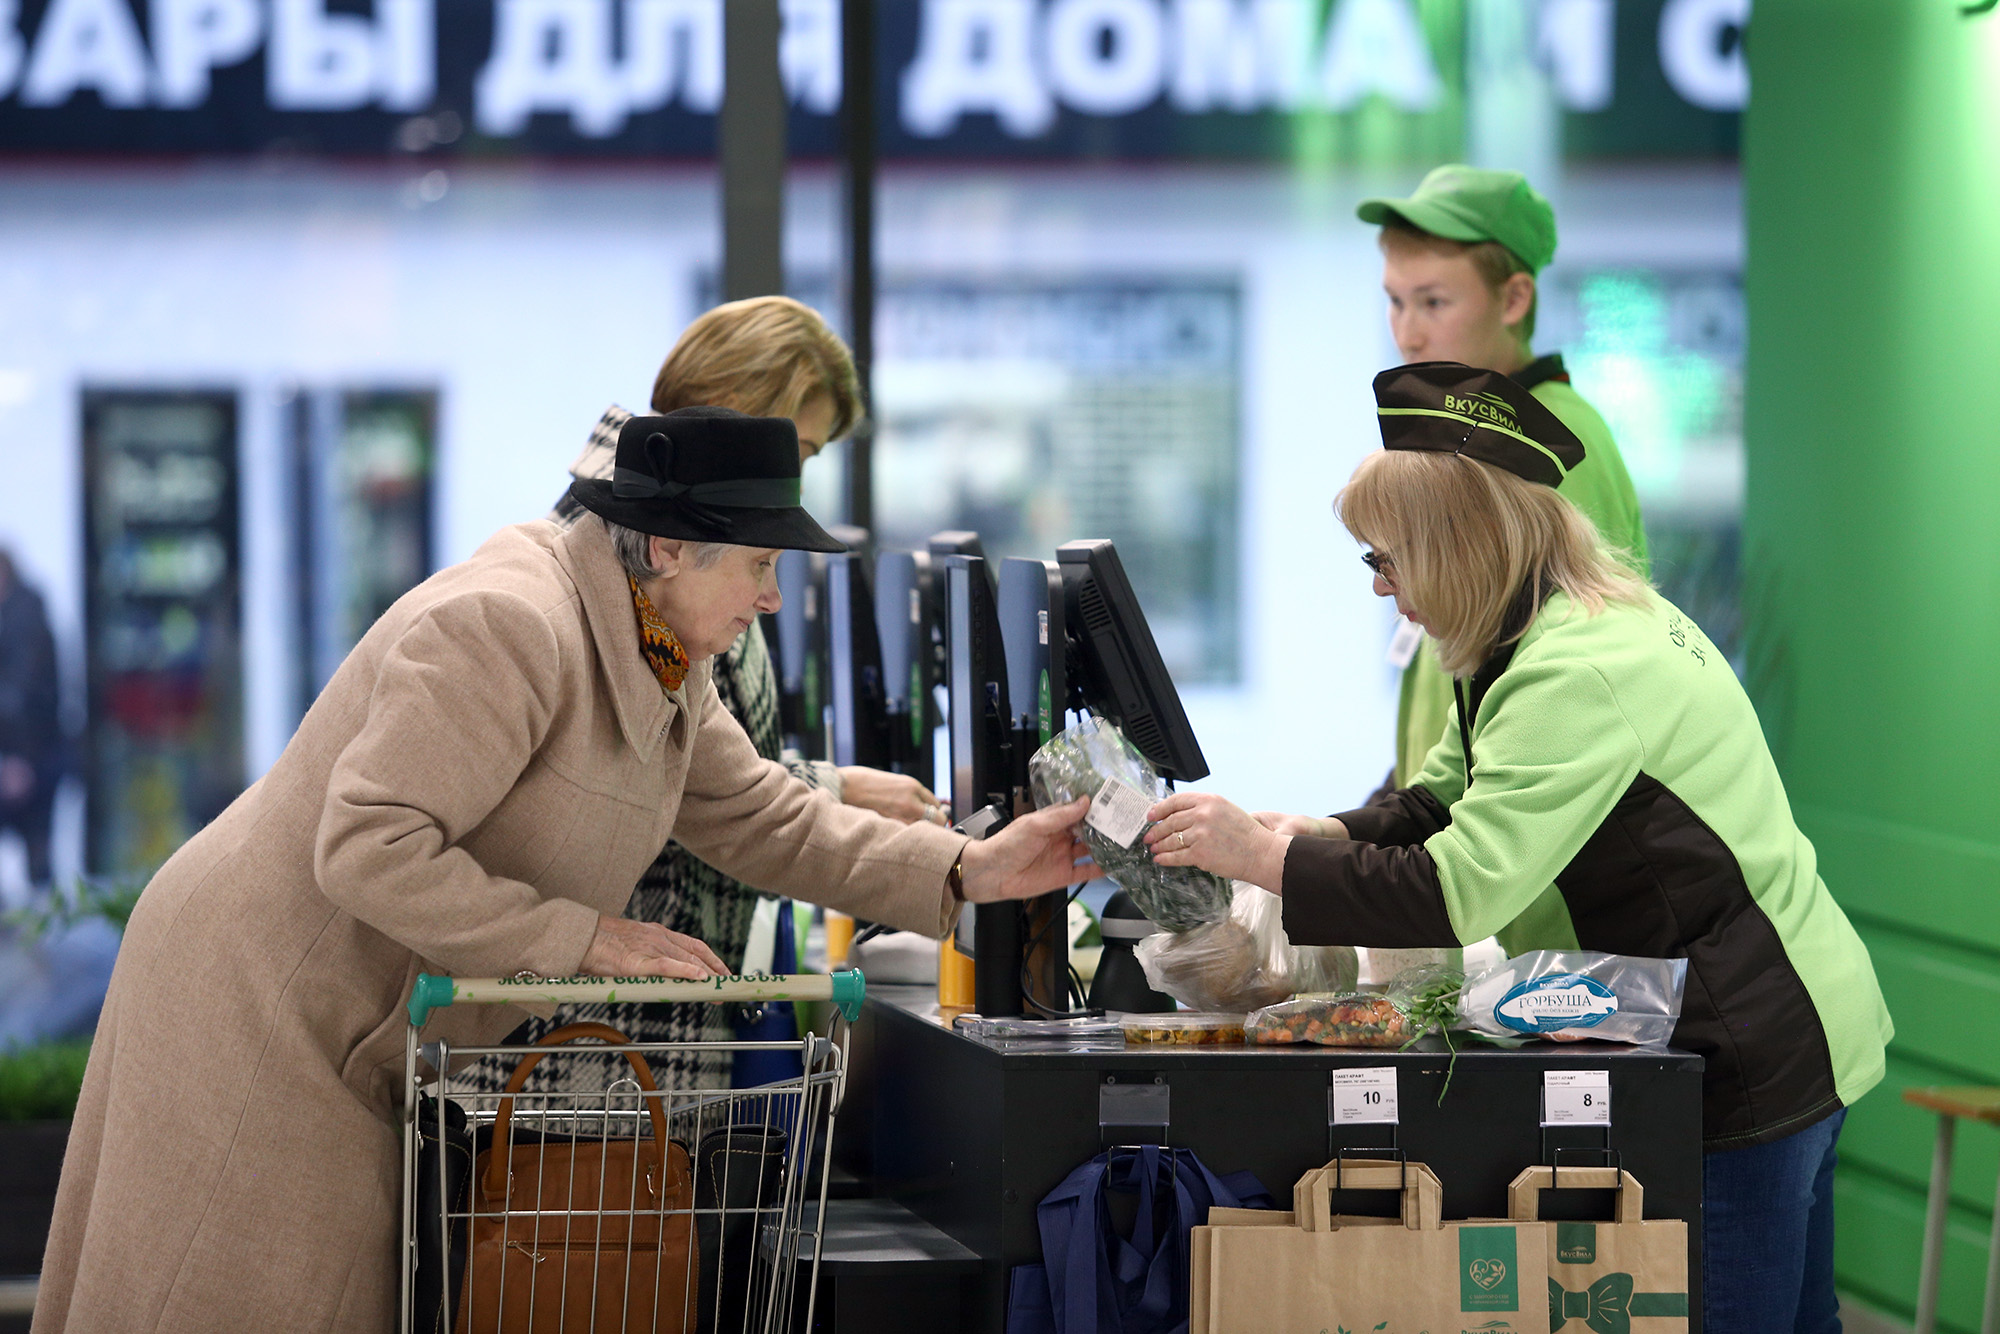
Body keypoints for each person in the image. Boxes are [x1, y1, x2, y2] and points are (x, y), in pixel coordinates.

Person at [33, 406, 1091, 1333]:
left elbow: (757, 814)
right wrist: (586, 940)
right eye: (759, 564)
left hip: (359, 1016)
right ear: (671, 544)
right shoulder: (508, 622)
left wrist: (966, 869)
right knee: (241, 1299)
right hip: (264, 1001)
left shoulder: (658, 648)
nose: (771, 598)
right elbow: (368, 842)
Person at [1142, 364, 1890, 1334]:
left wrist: (1264, 861)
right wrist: (1309, 833)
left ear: (1454, 548)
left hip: (1746, 1043)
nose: (1378, 586)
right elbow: (1444, 796)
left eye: (1384, 559)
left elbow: (1457, 892)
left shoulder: (1572, 671)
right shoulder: (1540, 629)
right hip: (1787, 1008)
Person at [463, 295, 939, 1094]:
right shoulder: (632, 564)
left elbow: (698, 762)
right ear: (752, 419)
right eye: (803, 451)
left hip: (635, 1037)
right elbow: (656, 780)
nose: (798, 487)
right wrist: (848, 797)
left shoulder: (669, 549)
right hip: (593, 1056)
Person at [1359, 163, 1651, 955]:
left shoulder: (1554, 455)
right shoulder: (1469, 444)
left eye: (1433, 302)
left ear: (1514, 299)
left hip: (1540, 899)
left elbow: (1555, 691)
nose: (1408, 332)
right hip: (1462, 849)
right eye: (1395, 300)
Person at [0, 548, 60, 894]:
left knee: (38, 861)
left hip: (30, 758)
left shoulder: (22, 619)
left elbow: (25, 697)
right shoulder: (22, 613)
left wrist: (18, 759)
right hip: (30, 756)